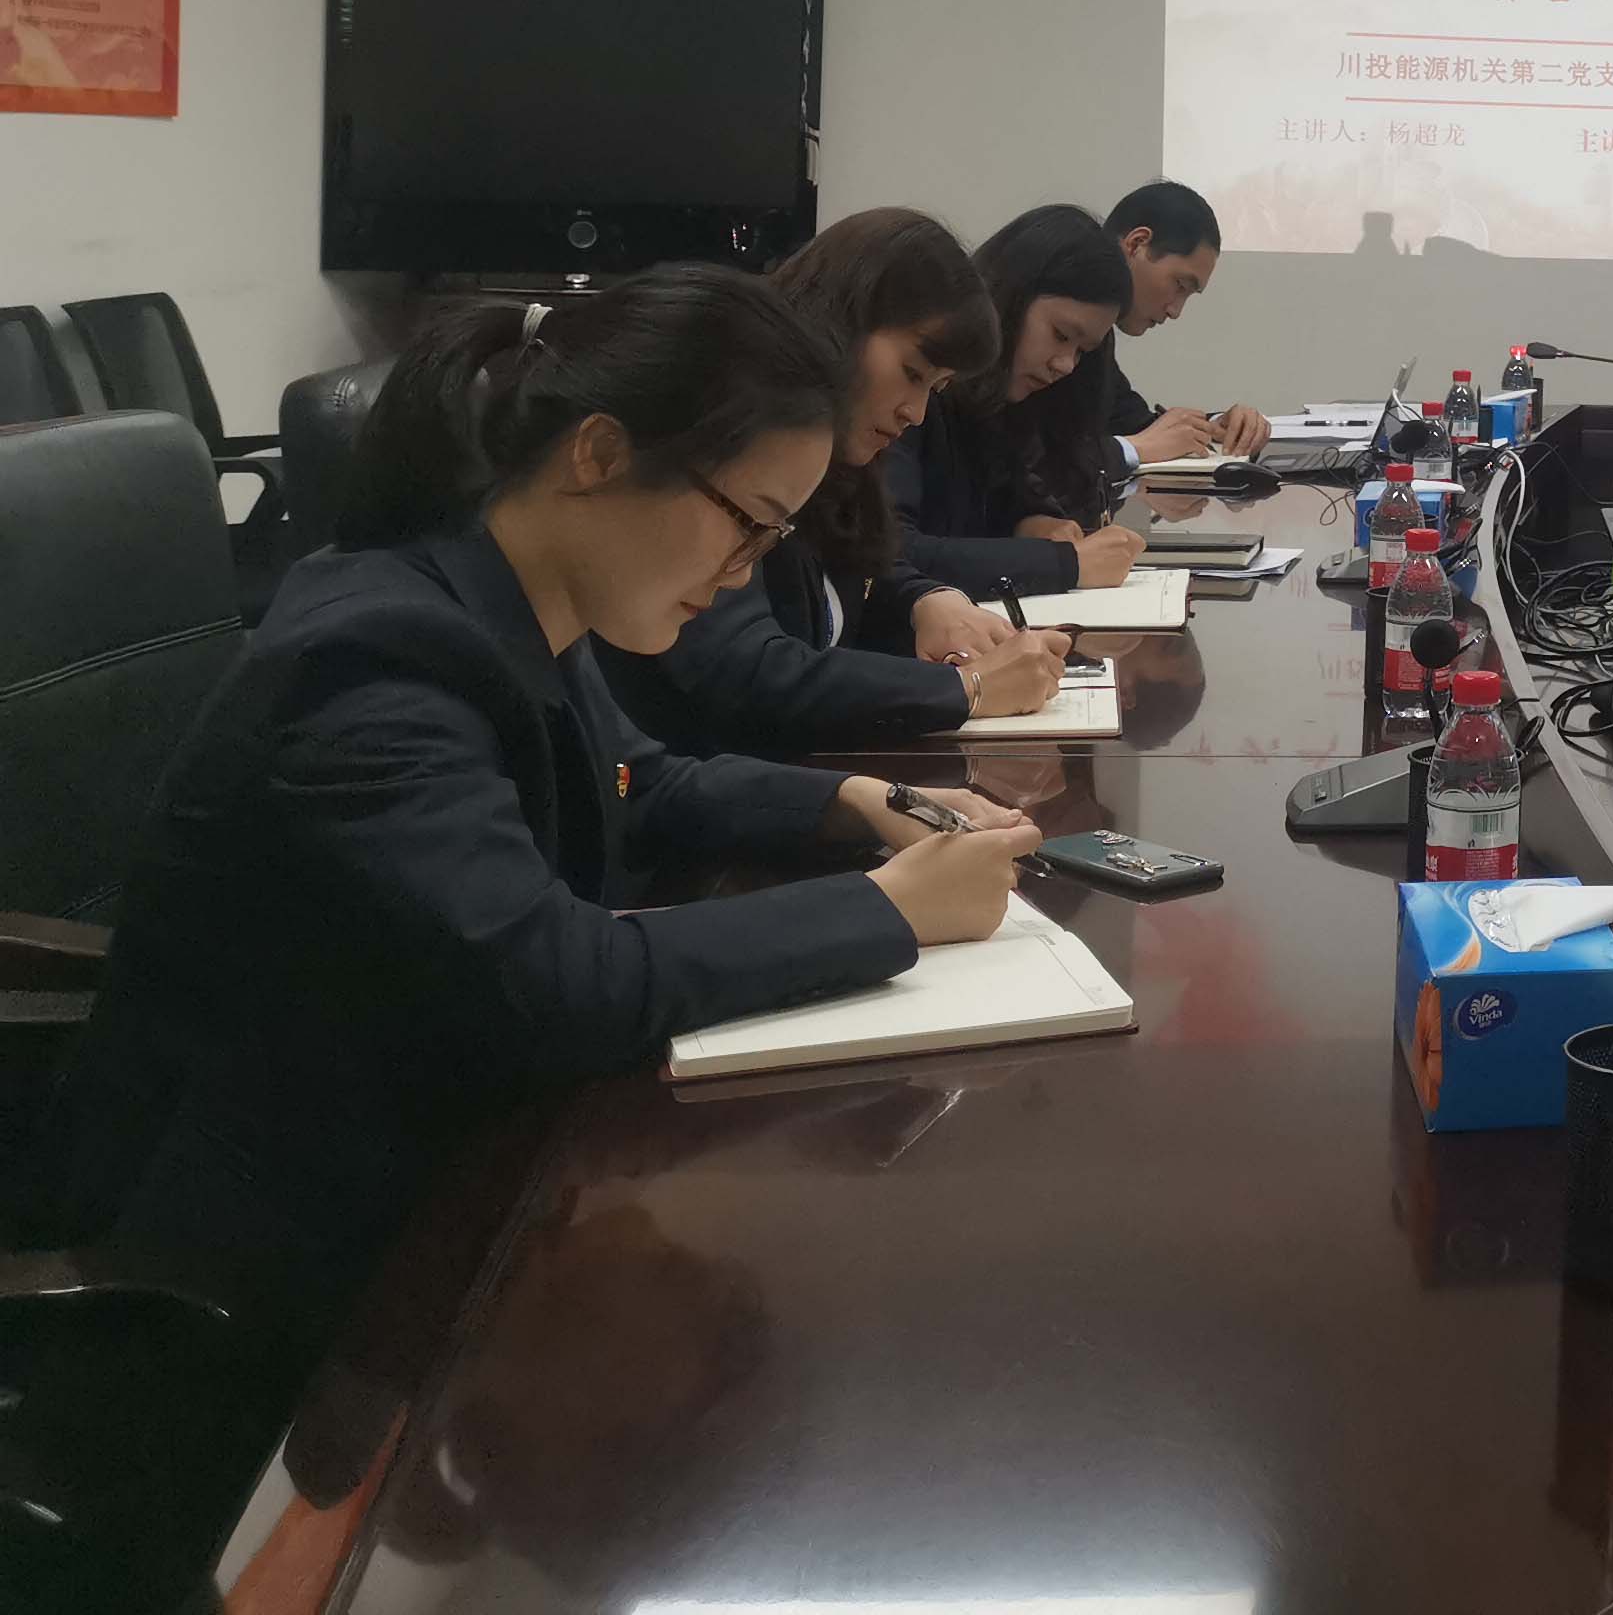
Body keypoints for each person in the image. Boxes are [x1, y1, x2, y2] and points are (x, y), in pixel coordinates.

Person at [24, 269, 1041, 1360]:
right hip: (265, 1259)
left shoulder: (509, 594)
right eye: (747, 525)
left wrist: (860, 801)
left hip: (450, 1136)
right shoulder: (373, 666)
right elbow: (555, 982)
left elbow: (638, 784)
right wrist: (888, 911)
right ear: (598, 454)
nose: (742, 575)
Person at [600, 207, 1070, 755]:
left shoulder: (840, 458)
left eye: (935, 389)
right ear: (845, 323)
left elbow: (857, 565)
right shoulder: (725, 426)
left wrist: (923, 601)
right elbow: (741, 667)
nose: (916, 412)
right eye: (912, 374)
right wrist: (967, 689)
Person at [882, 204, 1145, 600]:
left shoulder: (1009, 401)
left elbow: (1006, 495)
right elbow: (892, 552)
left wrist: (1032, 521)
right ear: (1010, 299)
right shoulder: (919, 390)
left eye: (1082, 351)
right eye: (1060, 335)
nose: (1065, 365)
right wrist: (1064, 564)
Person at [1101, 179, 1270, 467]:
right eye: (1179, 285)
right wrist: (1132, 449)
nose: (1175, 311)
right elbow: (1030, 455)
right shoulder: (1061, 312)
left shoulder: (1097, 337)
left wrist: (1216, 428)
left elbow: (1133, 425)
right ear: (1137, 244)